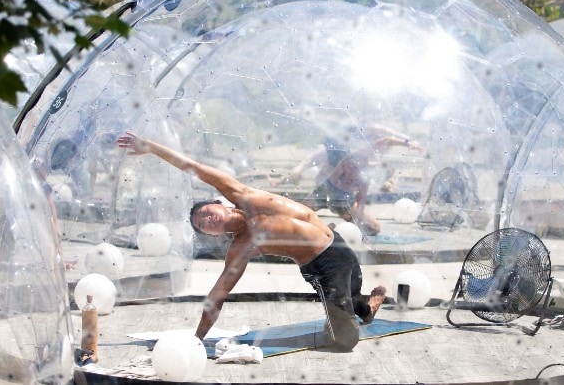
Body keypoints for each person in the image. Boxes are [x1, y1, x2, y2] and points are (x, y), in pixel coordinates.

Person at [116, 131, 387, 352]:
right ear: (214, 235)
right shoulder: (242, 246)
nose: (208, 221)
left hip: (338, 245)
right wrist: (197, 339)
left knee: (353, 300)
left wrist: (151, 147)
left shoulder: (244, 194)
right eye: (203, 226)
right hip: (322, 268)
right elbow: (217, 295)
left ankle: (365, 307)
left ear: (218, 204)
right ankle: (354, 311)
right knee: (344, 341)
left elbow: (195, 168)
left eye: (207, 214)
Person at [270, 134, 425, 235]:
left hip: (343, 200)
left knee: (374, 228)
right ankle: (271, 219)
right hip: (326, 189)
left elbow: (361, 201)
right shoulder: (363, 154)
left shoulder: (366, 178)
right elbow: (386, 139)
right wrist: (407, 142)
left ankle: (330, 230)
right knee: (297, 214)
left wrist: (359, 221)